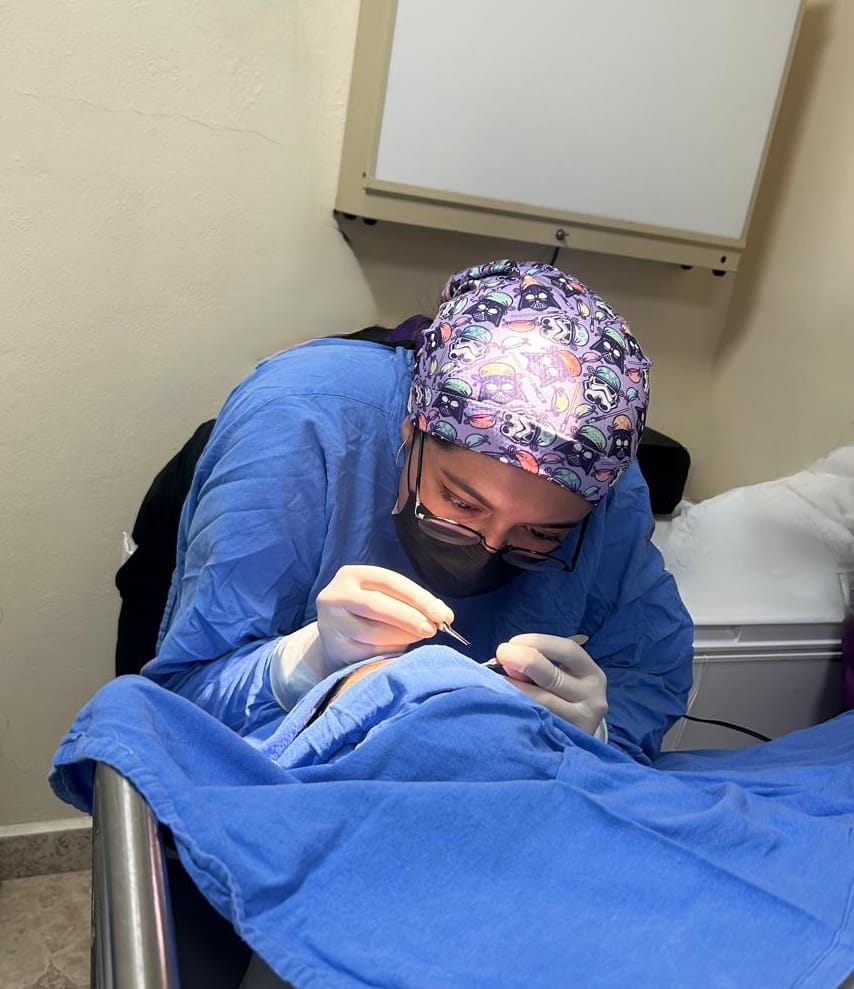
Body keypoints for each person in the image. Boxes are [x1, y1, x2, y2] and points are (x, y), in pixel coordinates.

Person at [144, 259, 693, 762]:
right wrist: (299, 665)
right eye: (461, 503)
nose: (488, 549)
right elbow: (184, 698)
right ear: (411, 430)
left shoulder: (601, 483)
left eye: (541, 535)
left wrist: (599, 732)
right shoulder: (300, 427)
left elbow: (650, 670)